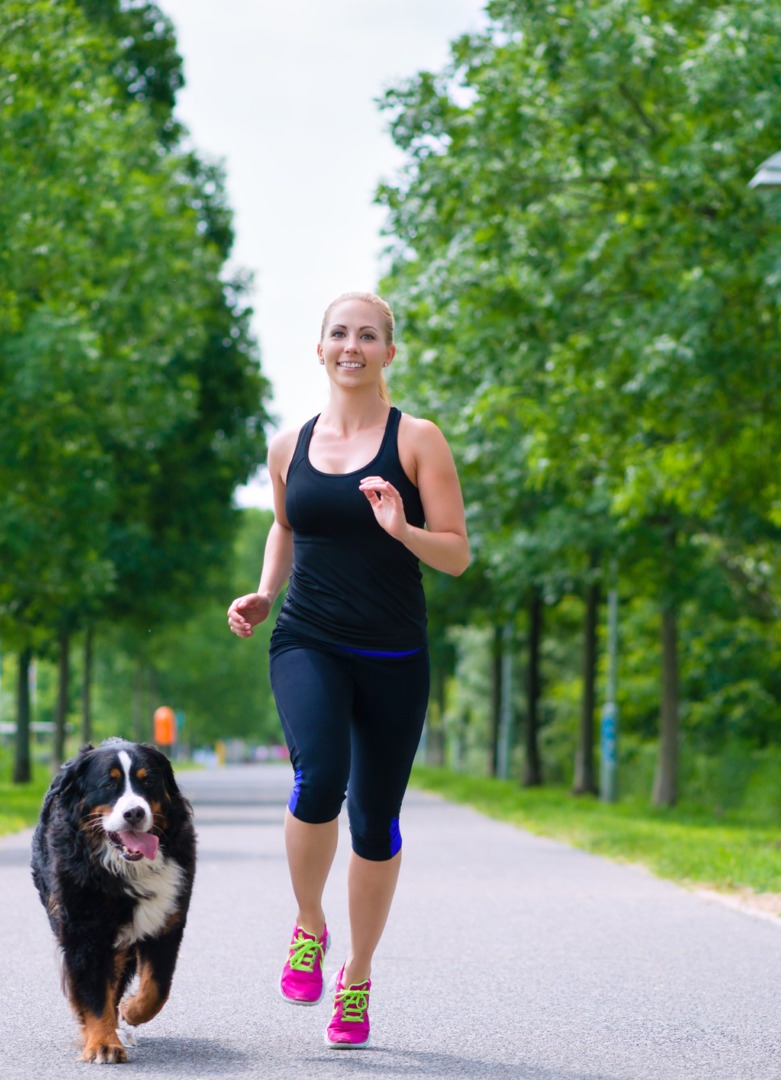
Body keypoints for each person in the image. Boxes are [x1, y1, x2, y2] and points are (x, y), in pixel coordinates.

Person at [226, 291, 469, 1048]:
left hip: (395, 652)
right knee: (317, 778)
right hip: (309, 639)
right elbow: (285, 525)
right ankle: (308, 924)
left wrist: (403, 528)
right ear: (321, 347)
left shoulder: (419, 440)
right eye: (339, 333)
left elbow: (457, 552)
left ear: (389, 353)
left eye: (368, 335)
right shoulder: (287, 445)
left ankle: (356, 975)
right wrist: (267, 593)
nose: (352, 345)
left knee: (374, 822)